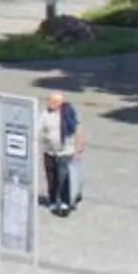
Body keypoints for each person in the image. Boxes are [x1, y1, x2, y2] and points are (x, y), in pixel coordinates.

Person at [40, 88, 84, 216]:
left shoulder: (67, 114)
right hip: (49, 152)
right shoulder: (45, 114)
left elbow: (77, 130)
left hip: (65, 152)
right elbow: (38, 128)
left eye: (50, 101)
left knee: (64, 178)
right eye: (48, 100)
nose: (47, 103)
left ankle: (65, 203)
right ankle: (53, 201)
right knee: (51, 178)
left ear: (58, 103)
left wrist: (78, 148)